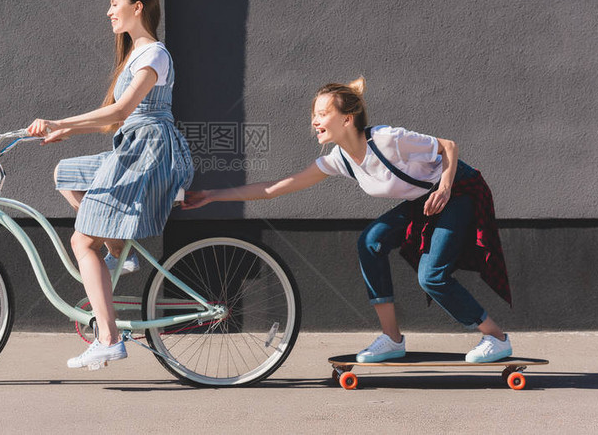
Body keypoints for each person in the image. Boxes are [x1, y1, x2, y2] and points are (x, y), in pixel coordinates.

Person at [183, 77, 513, 363]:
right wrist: (212, 195)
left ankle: (496, 338)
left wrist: (444, 185)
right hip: (421, 202)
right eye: (314, 114)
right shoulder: (340, 159)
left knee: (432, 277)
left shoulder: (387, 140)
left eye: (323, 114)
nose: (315, 121)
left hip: (458, 193)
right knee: (370, 242)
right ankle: (392, 339)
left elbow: (449, 147)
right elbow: (274, 189)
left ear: (347, 119)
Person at [27, 0, 194, 368]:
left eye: (114, 2)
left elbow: (120, 113)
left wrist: (56, 121)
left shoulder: (154, 53)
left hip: (148, 153)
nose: (108, 11)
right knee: (63, 173)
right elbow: (113, 122)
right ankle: (119, 250)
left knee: (83, 244)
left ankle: (108, 338)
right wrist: (64, 131)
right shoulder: (135, 56)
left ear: (138, 8)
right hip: (133, 147)